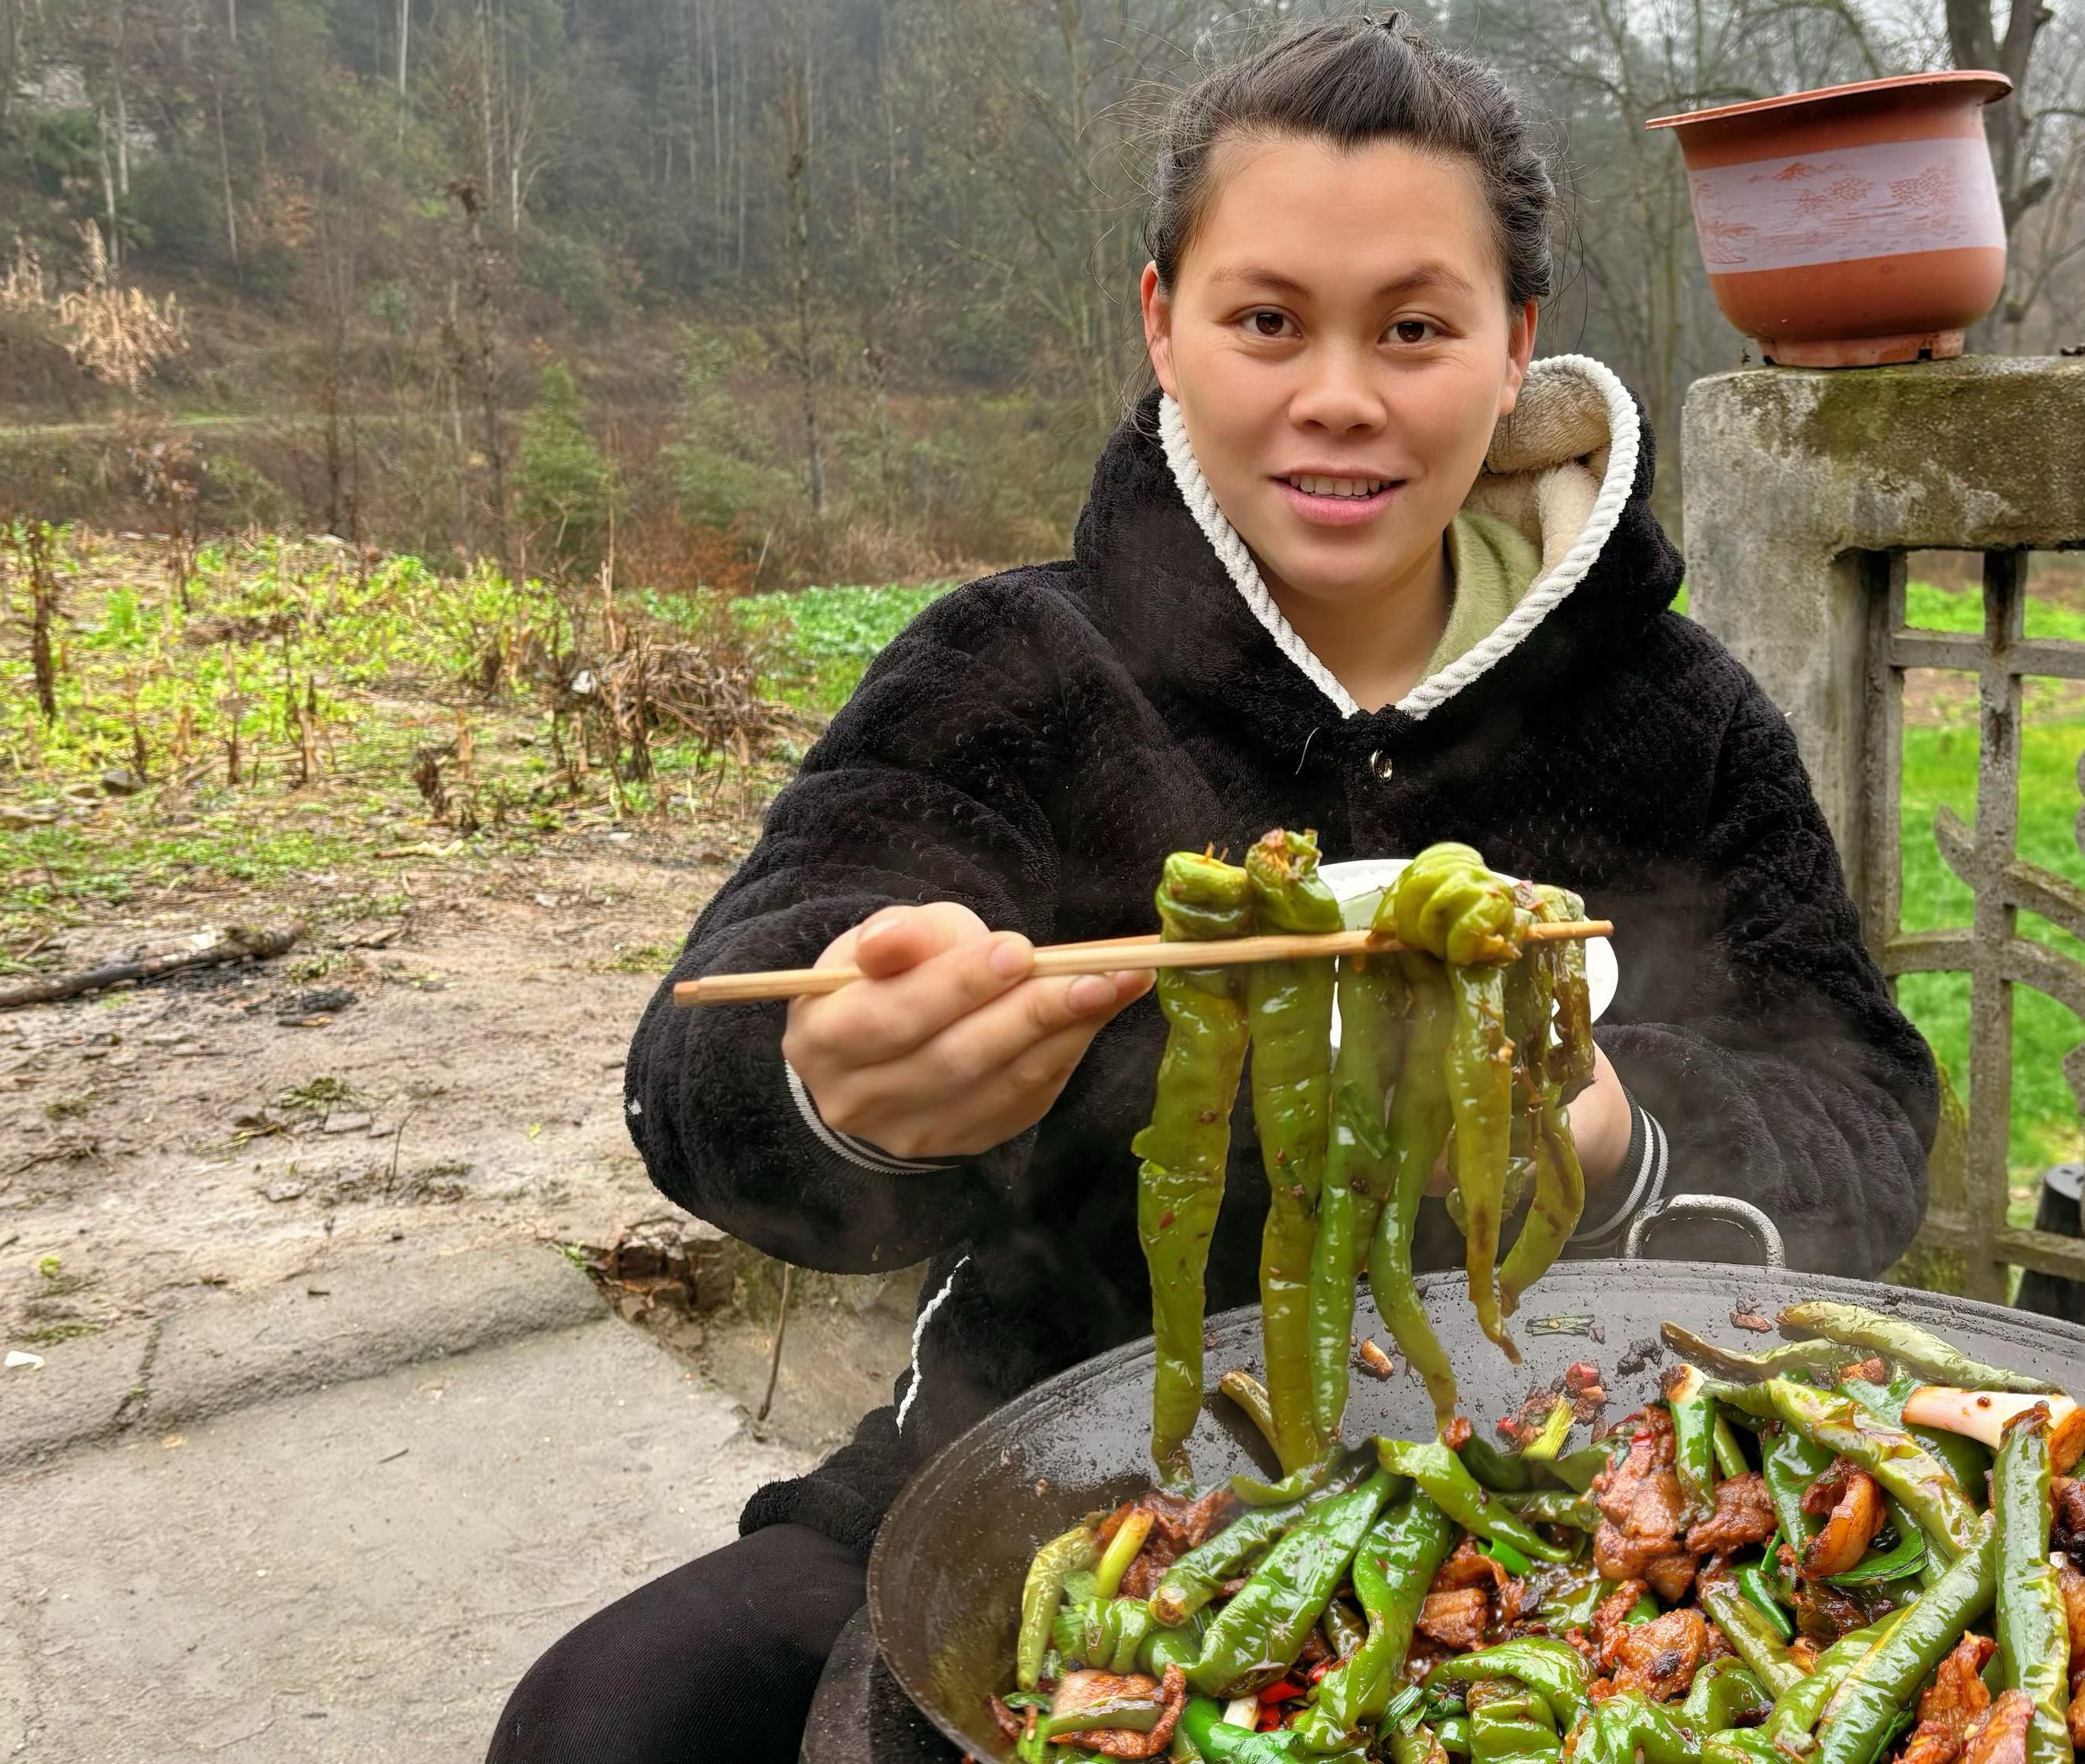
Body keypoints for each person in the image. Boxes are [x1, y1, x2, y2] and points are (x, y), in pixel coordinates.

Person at [488, 16, 1945, 1763]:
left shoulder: (1678, 715)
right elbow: (719, 1039)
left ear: (1516, 349)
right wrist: (844, 1076)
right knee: (608, 1719)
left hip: (1563, 1456)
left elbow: (1863, 1122)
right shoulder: (1021, 665)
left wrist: (1611, 1136)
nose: (1340, 393)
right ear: (1163, 323)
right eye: (1268, 321)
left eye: (1415, 327)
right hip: (1040, 1436)